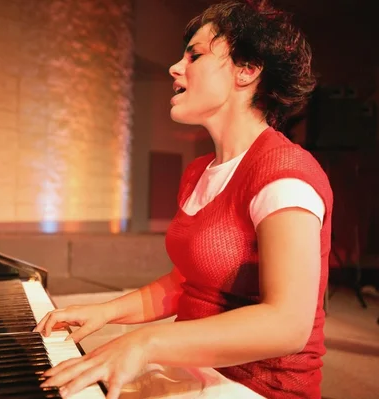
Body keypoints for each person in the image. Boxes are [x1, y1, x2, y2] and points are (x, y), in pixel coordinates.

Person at [35, 1, 333, 398]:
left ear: (247, 69)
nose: (175, 67)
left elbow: (287, 325)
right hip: (195, 368)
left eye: (194, 55)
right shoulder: (198, 172)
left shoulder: (284, 172)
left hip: (258, 386)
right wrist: (106, 312)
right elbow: (187, 283)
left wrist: (144, 343)